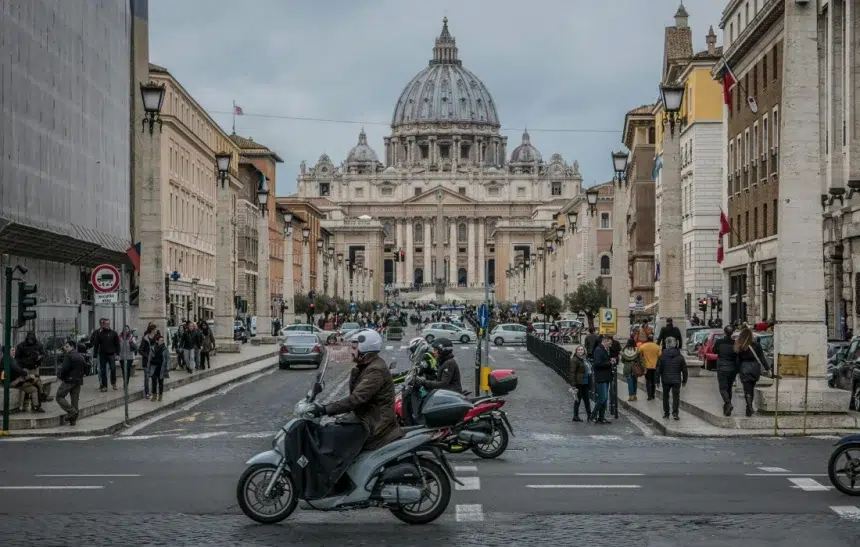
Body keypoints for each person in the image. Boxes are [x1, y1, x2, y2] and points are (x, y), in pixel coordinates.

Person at [311, 330, 403, 450]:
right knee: (333, 430)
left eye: (354, 348)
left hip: (376, 426)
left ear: (365, 350)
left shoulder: (375, 370)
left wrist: (325, 409)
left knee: (334, 438)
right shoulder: (367, 366)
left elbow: (356, 399)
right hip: (368, 418)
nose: (351, 351)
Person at [734, 327, 771, 416]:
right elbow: (762, 358)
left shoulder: (740, 346)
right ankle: (748, 408)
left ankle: (749, 407)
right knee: (751, 388)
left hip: (745, 368)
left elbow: (737, 361)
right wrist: (768, 368)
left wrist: (737, 371)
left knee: (747, 389)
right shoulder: (757, 345)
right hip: (755, 368)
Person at [2, 346, 43, 412]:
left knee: (33, 389)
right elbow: (17, 369)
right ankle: (42, 395)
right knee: (35, 379)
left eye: (14, 350)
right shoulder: (8, 359)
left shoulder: (8, 359)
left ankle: (36, 406)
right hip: (11, 383)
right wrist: (27, 375)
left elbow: (17, 369)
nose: (14, 352)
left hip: (15, 381)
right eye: (12, 350)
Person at [656, 337, 688, 420]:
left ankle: (666, 413)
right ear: (675, 344)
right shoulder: (680, 356)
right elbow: (684, 370)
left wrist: (657, 380)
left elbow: (658, 369)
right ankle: (675, 413)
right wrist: (684, 380)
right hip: (676, 379)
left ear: (666, 344)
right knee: (676, 396)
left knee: (665, 396)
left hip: (665, 379)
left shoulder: (662, 356)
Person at [56, 341, 87, 425]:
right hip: (78, 381)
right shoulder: (80, 356)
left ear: (71, 346)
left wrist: (61, 377)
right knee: (75, 400)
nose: (65, 348)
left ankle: (72, 411)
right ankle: (73, 420)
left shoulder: (69, 355)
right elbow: (87, 366)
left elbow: (64, 369)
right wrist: (83, 374)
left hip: (69, 380)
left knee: (59, 396)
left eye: (67, 346)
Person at [712, 325, 738, 416]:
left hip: (722, 367)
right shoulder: (735, 343)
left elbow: (714, 351)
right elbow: (737, 355)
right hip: (732, 368)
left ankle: (728, 403)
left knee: (723, 388)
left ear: (724, 332)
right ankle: (727, 409)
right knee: (729, 388)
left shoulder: (719, 342)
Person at [91, 318, 120, 392]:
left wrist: (118, 353)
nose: (107, 325)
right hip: (102, 354)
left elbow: (117, 344)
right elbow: (96, 344)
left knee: (113, 369)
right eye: (106, 324)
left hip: (111, 354)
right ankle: (104, 386)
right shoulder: (99, 333)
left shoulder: (114, 333)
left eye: (108, 324)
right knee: (103, 370)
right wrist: (94, 355)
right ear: (103, 324)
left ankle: (113, 383)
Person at [589, 337, 614, 424]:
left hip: (606, 376)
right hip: (601, 377)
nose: (609, 345)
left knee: (605, 398)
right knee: (602, 398)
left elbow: (603, 361)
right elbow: (597, 364)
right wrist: (609, 363)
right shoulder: (598, 350)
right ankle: (593, 416)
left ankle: (602, 417)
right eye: (609, 343)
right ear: (604, 341)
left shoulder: (603, 349)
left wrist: (610, 361)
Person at [568, 345, 592, 422]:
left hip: (585, 381)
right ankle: (575, 416)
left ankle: (589, 415)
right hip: (578, 383)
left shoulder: (584, 359)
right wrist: (573, 384)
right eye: (579, 350)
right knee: (578, 400)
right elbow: (572, 372)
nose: (581, 351)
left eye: (582, 350)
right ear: (576, 351)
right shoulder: (574, 360)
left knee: (586, 399)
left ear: (584, 351)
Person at [147, 334, 170, 402]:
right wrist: (148, 368)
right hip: (154, 367)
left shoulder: (165, 349)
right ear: (157, 341)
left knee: (161, 383)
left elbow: (168, 358)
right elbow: (149, 358)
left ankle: (160, 395)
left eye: (163, 340)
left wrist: (167, 367)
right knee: (154, 382)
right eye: (161, 340)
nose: (162, 341)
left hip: (161, 368)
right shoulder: (153, 348)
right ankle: (154, 395)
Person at [620, 337, 643, 402]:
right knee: (635, 381)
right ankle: (635, 395)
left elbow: (622, 360)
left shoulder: (624, 350)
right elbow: (640, 360)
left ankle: (630, 396)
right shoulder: (637, 350)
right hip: (635, 368)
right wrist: (643, 368)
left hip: (627, 367)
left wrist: (627, 363)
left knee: (629, 382)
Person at [639, 335, 661, 400]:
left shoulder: (643, 346)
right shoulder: (657, 347)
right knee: (653, 382)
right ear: (652, 340)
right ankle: (653, 394)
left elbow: (639, 353)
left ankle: (649, 396)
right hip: (654, 367)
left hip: (646, 367)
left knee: (648, 381)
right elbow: (660, 355)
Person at [138, 324, 157, 399]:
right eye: (155, 329)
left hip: (154, 361)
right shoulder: (145, 339)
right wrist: (146, 355)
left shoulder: (156, 338)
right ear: (152, 330)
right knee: (147, 377)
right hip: (146, 362)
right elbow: (140, 350)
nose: (156, 331)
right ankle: (146, 393)